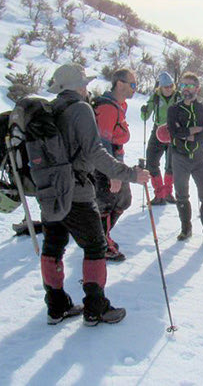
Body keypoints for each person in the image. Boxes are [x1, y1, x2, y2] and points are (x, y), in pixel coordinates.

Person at [40, 63, 149, 326]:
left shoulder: (49, 109)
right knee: (95, 247)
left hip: (49, 191)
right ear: (77, 85)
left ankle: (56, 307)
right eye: (84, 84)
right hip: (76, 191)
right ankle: (95, 309)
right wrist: (130, 174)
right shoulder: (80, 109)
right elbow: (95, 152)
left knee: (53, 246)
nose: (86, 88)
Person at [166, 71, 203, 245]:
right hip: (179, 157)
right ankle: (186, 228)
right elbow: (173, 133)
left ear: (197, 88)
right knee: (181, 195)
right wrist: (193, 130)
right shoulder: (173, 109)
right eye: (183, 85)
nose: (185, 89)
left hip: (199, 159)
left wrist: (188, 135)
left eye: (189, 85)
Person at [91, 68, 136, 262]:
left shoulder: (118, 105)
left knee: (123, 200)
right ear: (120, 84)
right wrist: (113, 173)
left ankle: (103, 238)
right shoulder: (108, 108)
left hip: (115, 161)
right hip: (107, 164)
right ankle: (101, 245)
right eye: (132, 84)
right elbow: (104, 141)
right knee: (107, 203)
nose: (135, 88)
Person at [141, 72, 180, 205]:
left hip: (174, 133)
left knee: (171, 164)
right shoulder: (155, 97)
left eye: (170, 86)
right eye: (165, 87)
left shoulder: (179, 97)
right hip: (157, 131)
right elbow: (144, 118)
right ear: (160, 87)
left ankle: (168, 193)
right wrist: (144, 111)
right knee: (151, 161)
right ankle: (159, 194)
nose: (168, 89)